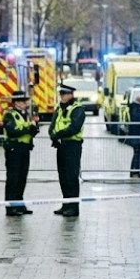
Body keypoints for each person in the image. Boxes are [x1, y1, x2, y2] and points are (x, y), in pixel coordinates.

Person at [48, 83, 85, 217]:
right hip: (61, 146)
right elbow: (53, 125)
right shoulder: (59, 108)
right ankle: (66, 204)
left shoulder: (78, 109)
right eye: (61, 94)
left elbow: (74, 127)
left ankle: (73, 207)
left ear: (71, 95)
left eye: (64, 94)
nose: (62, 97)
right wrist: (52, 135)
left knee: (71, 177)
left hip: (72, 146)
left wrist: (58, 135)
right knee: (63, 177)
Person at [2, 91, 39, 216]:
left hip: (24, 149)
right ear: (16, 103)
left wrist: (34, 129)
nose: (26, 103)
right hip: (14, 150)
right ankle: (11, 207)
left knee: (22, 178)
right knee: (13, 178)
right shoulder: (9, 115)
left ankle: (19, 204)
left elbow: (30, 129)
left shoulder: (25, 115)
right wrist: (28, 129)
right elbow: (12, 131)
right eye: (24, 101)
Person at [126, 94, 140, 179]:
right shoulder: (136, 109)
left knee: (137, 153)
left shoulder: (136, 108)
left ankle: (136, 171)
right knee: (137, 153)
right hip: (137, 134)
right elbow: (138, 119)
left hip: (138, 134)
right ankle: (134, 172)